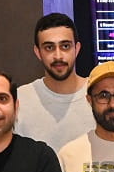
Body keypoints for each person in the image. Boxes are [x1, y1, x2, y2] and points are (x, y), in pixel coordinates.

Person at [13, 14, 95, 151]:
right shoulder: (20, 99)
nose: (58, 56)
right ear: (38, 52)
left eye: (65, 46)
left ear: (77, 49)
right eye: (49, 48)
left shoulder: (100, 97)